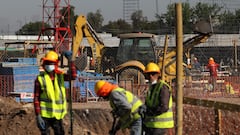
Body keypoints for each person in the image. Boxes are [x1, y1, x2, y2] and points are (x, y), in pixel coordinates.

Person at [33, 50, 77, 135]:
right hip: (44, 116)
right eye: (47, 63)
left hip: (58, 116)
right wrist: (38, 115)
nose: (49, 65)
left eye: (51, 63)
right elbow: (36, 98)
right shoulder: (40, 79)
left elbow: (73, 76)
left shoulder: (60, 77)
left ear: (56, 64)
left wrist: (71, 61)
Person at [143, 62, 174, 135]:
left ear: (150, 75)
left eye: (146, 76)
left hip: (161, 127)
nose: (146, 78)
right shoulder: (152, 88)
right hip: (152, 126)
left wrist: (151, 112)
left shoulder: (163, 87)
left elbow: (164, 107)